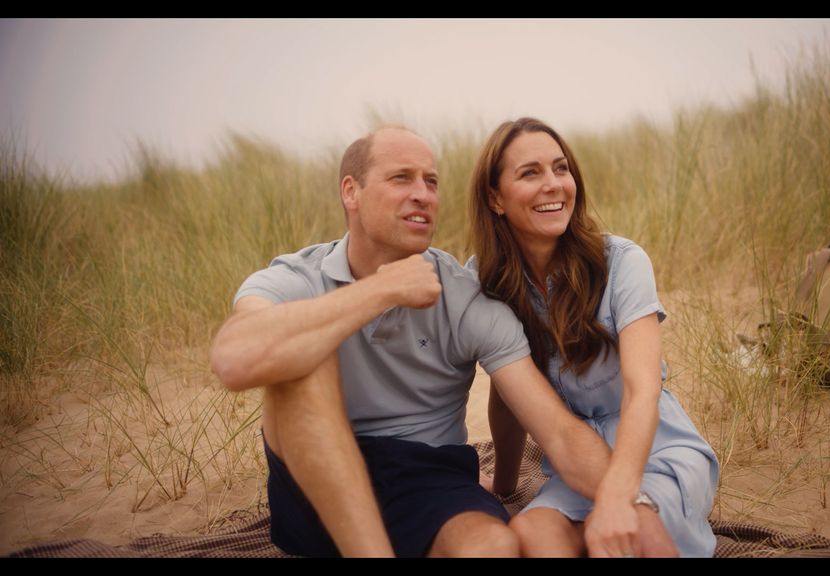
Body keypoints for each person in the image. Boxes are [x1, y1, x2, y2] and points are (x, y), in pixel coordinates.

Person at [210, 126, 614, 557]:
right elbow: (234, 360)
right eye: (401, 178)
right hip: (314, 478)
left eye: (432, 182)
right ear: (352, 192)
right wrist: (380, 292)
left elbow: (558, 432)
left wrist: (636, 500)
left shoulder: (466, 298)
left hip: (427, 479)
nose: (423, 193)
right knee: (302, 354)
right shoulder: (297, 277)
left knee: (493, 546)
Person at [468, 117, 720, 557]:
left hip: (654, 448)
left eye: (560, 169)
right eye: (531, 173)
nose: (553, 185)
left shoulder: (621, 261)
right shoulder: (485, 281)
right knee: (531, 536)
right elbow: (506, 394)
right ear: (495, 197)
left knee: (638, 531)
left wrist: (620, 500)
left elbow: (643, 390)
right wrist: (506, 487)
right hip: (574, 466)